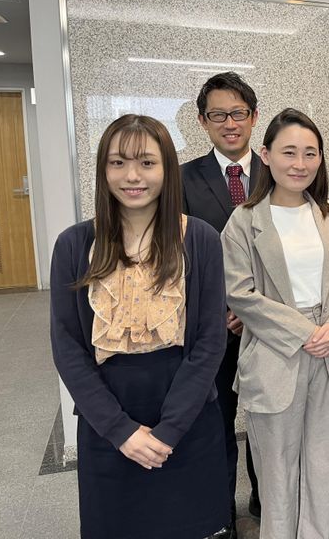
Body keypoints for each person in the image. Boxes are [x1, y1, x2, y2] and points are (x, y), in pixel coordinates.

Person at [50, 114, 230, 539]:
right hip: (108, 417)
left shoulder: (200, 239)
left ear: (167, 168)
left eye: (147, 163)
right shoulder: (74, 245)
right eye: (118, 163)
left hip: (187, 414)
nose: (132, 176)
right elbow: (68, 346)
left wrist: (168, 431)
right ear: (103, 170)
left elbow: (209, 341)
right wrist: (121, 431)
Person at [221, 108, 329, 539]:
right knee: (277, 466)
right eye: (289, 153)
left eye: (310, 153)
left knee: (322, 459)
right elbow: (241, 294)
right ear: (265, 155)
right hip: (275, 352)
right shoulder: (244, 221)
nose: (300, 164)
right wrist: (304, 332)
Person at [181, 71, 262, 534]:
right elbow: (178, 259)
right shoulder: (182, 179)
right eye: (218, 115)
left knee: (268, 418)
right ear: (203, 121)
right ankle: (220, 510)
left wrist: (255, 310)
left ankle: (264, 497)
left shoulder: (280, 171)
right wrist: (223, 310)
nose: (229, 123)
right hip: (212, 328)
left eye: (237, 113)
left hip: (269, 327)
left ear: (253, 117)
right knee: (217, 422)